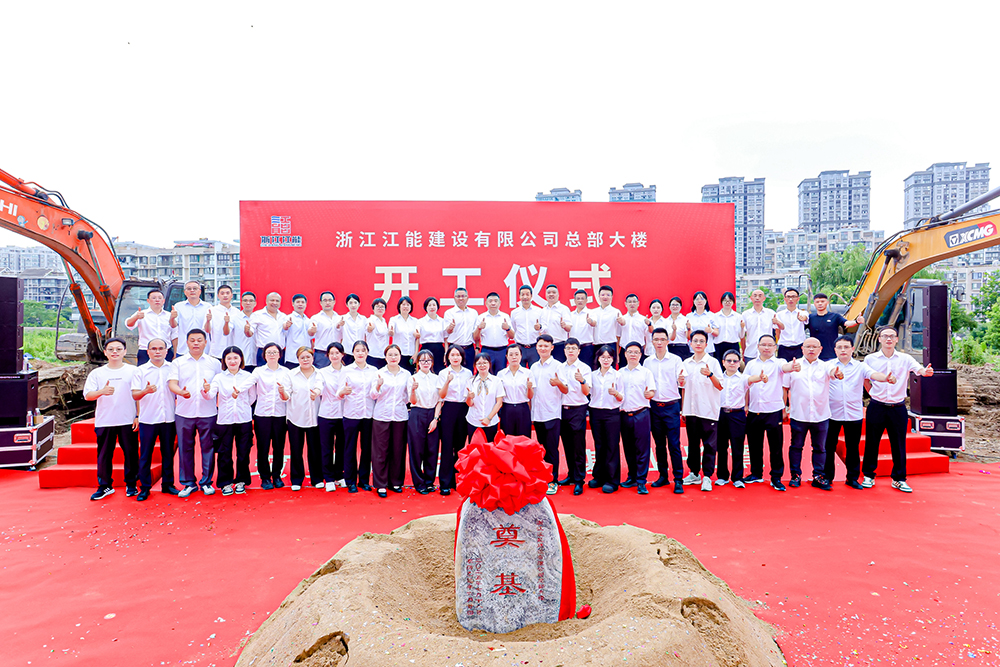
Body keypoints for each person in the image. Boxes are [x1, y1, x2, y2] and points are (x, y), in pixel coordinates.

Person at [861, 326, 934, 493]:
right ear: (879, 339)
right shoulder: (870, 359)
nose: (888, 339)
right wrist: (872, 392)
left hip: (898, 407)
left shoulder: (905, 358)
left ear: (896, 339)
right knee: (872, 442)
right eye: (885, 336)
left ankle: (899, 479)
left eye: (892, 336)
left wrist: (925, 371)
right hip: (877, 406)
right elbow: (865, 377)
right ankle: (869, 475)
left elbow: (919, 369)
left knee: (899, 444)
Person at [824, 335, 891, 489]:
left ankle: (852, 478)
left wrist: (885, 378)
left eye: (846, 347)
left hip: (853, 414)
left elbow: (873, 374)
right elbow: (830, 372)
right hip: (831, 413)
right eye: (839, 347)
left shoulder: (860, 367)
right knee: (829, 446)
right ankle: (827, 477)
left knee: (853, 447)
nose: (843, 350)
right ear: (835, 350)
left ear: (852, 349)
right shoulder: (827, 365)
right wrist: (835, 373)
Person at [782, 338, 843, 491]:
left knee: (820, 448)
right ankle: (795, 475)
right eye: (808, 346)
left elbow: (833, 373)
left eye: (814, 347)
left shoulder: (826, 366)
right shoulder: (793, 366)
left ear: (820, 349)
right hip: (799, 414)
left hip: (820, 415)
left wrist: (837, 374)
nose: (811, 349)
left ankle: (818, 476)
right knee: (796, 446)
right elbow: (784, 388)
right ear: (802, 348)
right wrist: (784, 408)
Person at [83, 337, 139, 501]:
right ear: (105, 352)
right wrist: (102, 391)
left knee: (131, 453)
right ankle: (105, 486)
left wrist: (138, 415)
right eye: (111, 349)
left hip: (128, 419)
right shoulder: (97, 373)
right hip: (105, 420)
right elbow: (88, 395)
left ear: (125, 351)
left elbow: (138, 395)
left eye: (119, 349)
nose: (115, 352)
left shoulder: (133, 371)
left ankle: (131, 484)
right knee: (104, 454)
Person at [167, 329, 219, 498]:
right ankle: (188, 483)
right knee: (185, 448)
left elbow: (219, 384)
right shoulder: (178, 362)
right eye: (192, 340)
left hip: (208, 412)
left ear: (205, 342)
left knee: (208, 448)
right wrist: (180, 392)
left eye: (199, 340)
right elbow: (172, 383)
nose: (196, 343)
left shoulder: (214, 363)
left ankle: (206, 482)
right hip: (184, 412)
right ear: (187, 342)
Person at [130, 338, 178, 499]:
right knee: (145, 454)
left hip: (168, 418)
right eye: (154, 349)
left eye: (161, 348)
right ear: (148, 351)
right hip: (148, 419)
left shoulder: (173, 369)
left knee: (168, 453)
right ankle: (144, 487)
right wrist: (145, 391)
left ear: (166, 351)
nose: (157, 351)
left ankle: (168, 484)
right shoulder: (140, 371)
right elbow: (135, 395)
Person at [205, 346, 255, 496]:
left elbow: (252, 397)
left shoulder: (248, 376)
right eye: (229, 358)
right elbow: (210, 396)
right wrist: (206, 390)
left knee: (243, 452)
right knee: (224, 453)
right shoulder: (219, 377)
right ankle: (225, 482)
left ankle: (241, 481)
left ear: (241, 359)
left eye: (235, 358)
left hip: (244, 419)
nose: (232, 361)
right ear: (224, 360)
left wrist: (242, 407)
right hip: (224, 420)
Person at [240, 342, 291, 490]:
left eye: (275, 352)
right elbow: (249, 383)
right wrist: (238, 389)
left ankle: (277, 475)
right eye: (269, 352)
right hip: (262, 414)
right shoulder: (259, 371)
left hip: (280, 414)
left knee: (279, 447)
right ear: (264, 355)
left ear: (280, 355)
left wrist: (282, 392)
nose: (272, 355)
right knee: (263, 447)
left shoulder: (286, 372)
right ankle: (265, 477)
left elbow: (288, 395)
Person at [678, 330, 724, 492]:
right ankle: (694, 473)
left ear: (706, 344)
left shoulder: (713, 362)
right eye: (695, 341)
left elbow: (720, 385)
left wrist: (710, 374)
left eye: (701, 341)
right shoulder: (686, 363)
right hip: (691, 410)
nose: (698, 344)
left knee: (709, 445)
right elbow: (684, 388)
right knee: (693, 443)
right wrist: (683, 409)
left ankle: (707, 476)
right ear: (690, 343)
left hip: (708, 410)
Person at [644, 327, 685, 494]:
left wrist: (681, 380)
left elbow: (682, 383)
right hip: (654, 407)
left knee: (674, 444)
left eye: (662, 339)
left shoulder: (676, 360)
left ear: (668, 341)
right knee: (659, 444)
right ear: (652, 341)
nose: (659, 342)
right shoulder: (647, 362)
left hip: (671, 406)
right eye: (656, 339)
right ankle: (663, 476)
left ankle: (678, 479)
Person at [744, 335, 788, 491]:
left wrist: (793, 366)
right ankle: (756, 473)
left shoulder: (779, 363)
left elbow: (786, 368)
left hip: (773, 411)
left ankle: (776, 477)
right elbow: (746, 385)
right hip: (754, 410)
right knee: (754, 445)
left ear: (775, 347)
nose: (767, 347)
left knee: (775, 446)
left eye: (770, 345)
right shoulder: (751, 364)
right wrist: (746, 405)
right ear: (758, 346)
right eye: (764, 344)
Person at [370, 345, 411, 498]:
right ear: (385, 357)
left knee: (398, 450)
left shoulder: (406, 374)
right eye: (390, 355)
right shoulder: (379, 373)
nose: (393, 357)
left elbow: (408, 397)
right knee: (380, 451)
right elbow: (373, 395)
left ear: (400, 356)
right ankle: (380, 484)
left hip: (400, 415)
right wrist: (378, 386)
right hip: (382, 415)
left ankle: (395, 482)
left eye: (396, 354)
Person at [530, 334, 568, 495]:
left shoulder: (558, 366)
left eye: (546, 346)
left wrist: (558, 383)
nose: (543, 348)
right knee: (542, 449)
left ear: (552, 348)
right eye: (540, 345)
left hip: (552, 413)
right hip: (537, 413)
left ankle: (553, 480)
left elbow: (565, 389)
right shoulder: (533, 367)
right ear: (536, 347)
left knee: (552, 449)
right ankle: (543, 478)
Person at [617, 341, 656, 495]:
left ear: (640, 355)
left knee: (642, 448)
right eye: (630, 352)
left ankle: (641, 481)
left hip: (641, 414)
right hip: (624, 414)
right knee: (628, 448)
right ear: (625, 354)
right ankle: (632, 477)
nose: (633, 355)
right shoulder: (619, 373)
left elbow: (652, 391)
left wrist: (649, 394)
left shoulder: (646, 373)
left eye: (636, 352)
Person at [339, 340, 377, 493]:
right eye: (357, 350)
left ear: (367, 353)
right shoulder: (346, 370)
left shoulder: (374, 371)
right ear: (353, 353)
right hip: (351, 414)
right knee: (350, 448)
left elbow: (375, 394)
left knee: (366, 449)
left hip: (368, 414)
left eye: (363, 350)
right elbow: (338, 394)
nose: (360, 353)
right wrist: (343, 392)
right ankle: (350, 481)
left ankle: (364, 480)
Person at [285, 346, 323, 491]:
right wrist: (283, 393)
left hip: (314, 417)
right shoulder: (291, 374)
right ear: (298, 359)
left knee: (315, 450)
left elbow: (320, 386)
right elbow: (287, 394)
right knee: (296, 449)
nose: (305, 359)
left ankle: (316, 478)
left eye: (308, 357)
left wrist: (316, 392)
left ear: (313, 358)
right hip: (296, 416)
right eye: (302, 357)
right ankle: (296, 479)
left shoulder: (319, 373)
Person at [437, 345, 473, 495]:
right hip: (449, 409)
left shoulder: (468, 373)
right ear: (448, 357)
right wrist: (447, 381)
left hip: (463, 409)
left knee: (460, 446)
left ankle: (458, 480)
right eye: (452, 355)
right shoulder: (443, 373)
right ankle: (445, 482)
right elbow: (441, 395)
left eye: (458, 355)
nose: (455, 357)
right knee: (447, 446)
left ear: (462, 357)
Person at [589, 345, 623, 493]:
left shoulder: (617, 375)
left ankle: (612, 480)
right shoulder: (592, 375)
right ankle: (599, 476)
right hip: (596, 412)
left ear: (613, 359)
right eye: (603, 357)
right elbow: (587, 392)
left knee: (612, 446)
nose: (606, 360)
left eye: (609, 357)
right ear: (598, 358)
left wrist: (615, 393)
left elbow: (622, 398)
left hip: (612, 413)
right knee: (599, 445)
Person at [558, 338, 591, 495]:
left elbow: (586, 392)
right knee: (567, 444)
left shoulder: (584, 368)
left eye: (573, 348)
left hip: (578, 409)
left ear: (579, 351)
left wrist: (582, 381)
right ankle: (571, 475)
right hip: (562, 409)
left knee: (578, 446)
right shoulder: (559, 367)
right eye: (568, 348)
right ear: (564, 350)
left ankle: (579, 480)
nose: (570, 351)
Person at [408, 349, 442, 494]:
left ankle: (429, 481)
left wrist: (435, 419)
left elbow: (440, 400)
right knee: (417, 449)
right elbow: (412, 401)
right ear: (418, 363)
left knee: (432, 449)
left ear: (432, 362)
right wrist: (413, 390)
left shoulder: (437, 378)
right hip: (417, 413)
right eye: (422, 360)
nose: (425, 363)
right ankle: (419, 482)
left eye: (428, 360)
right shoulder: (413, 379)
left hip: (432, 413)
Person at [717, 349, 749, 489]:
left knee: (737, 446)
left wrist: (761, 377)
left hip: (737, 415)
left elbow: (753, 379)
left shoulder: (743, 378)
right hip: (721, 414)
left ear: (739, 363)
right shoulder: (718, 378)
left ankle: (737, 477)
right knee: (721, 446)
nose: (732, 363)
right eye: (729, 360)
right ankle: (722, 476)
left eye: (735, 361)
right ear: (723, 362)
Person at [317, 342, 347, 491]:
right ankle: (328, 478)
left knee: (342, 447)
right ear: (327, 355)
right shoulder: (322, 372)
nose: (334, 356)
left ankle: (339, 475)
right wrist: (316, 391)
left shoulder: (348, 371)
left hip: (344, 414)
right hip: (326, 414)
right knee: (327, 447)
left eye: (337, 353)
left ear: (342, 354)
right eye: (331, 353)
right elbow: (319, 385)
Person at [807, 293, 865, 360]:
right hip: (814, 354)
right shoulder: (810, 318)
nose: (820, 304)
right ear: (814, 303)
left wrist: (856, 321)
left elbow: (846, 323)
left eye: (822, 301)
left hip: (831, 355)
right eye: (817, 302)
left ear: (827, 303)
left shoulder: (835, 316)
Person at [125, 289, 176, 365]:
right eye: (154, 298)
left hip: (165, 351)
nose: (157, 300)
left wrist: (175, 353)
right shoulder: (141, 314)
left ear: (163, 301)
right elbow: (128, 325)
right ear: (148, 301)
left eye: (159, 298)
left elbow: (175, 334)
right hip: (146, 351)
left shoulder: (169, 315)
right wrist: (136, 317)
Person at [465, 352, 505, 443]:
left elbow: (499, 402)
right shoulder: (470, 381)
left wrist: (488, 418)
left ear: (489, 364)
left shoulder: (496, 381)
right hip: (473, 421)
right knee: (474, 449)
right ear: (475, 365)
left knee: (490, 449)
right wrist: (469, 397)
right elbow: (469, 404)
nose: (482, 365)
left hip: (491, 422)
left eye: (485, 363)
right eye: (479, 363)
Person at [496, 344, 533, 437]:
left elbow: (530, 396)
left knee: (524, 439)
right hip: (507, 409)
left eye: (516, 354)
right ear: (506, 356)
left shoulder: (528, 373)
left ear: (521, 356)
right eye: (511, 354)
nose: (514, 357)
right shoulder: (501, 374)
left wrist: (529, 388)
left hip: (523, 408)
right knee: (507, 438)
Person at [247, 292, 290, 368]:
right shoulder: (257, 315)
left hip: (279, 352)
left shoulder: (283, 316)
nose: (274, 303)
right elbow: (250, 333)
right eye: (272, 300)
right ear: (266, 301)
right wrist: (247, 330)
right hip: (264, 352)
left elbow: (285, 331)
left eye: (277, 301)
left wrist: (286, 327)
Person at [474, 292, 513, 373]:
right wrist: (479, 328)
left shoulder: (505, 316)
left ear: (499, 303)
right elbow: (475, 337)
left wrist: (508, 328)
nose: (493, 303)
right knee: (486, 374)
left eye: (495, 301)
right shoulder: (481, 317)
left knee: (501, 374)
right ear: (486, 303)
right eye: (490, 301)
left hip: (502, 351)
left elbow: (512, 336)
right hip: (487, 350)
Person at [170, 281, 211, 356]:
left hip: (203, 349)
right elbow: (173, 325)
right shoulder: (178, 306)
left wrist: (208, 320)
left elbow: (208, 329)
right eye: (189, 289)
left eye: (195, 288)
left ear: (200, 291)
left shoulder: (208, 307)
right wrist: (172, 318)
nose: (192, 290)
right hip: (184, 348)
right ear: (185, 292)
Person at [444, 287, 479, 372]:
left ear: (467, 298)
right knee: (453, 373)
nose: (461, 298)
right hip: (454, 349)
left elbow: (476, 333)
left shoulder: (473, 313)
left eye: (463, 296)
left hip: (469, 349)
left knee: (469, 373)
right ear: (454, 298)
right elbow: (447, 332)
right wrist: (450, 327)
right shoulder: (449, 313)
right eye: (458, 296)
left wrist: (477, 348)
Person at [205, 284, 241, 360]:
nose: (225, 295)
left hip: (233, 352)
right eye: (222, 293)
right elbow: (207, 330)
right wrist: (208, 321)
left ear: (231, 295)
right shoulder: (212, 311)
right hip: (216, 351)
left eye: (227, 293)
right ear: (218, 296)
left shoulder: (237, 312)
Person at [509, 285, 541, 368]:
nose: (525, 297)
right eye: (522, 294)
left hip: (534, 347)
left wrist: (539, 327)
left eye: (527, 294)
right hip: (520, 348)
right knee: (519, 372)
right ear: (519, 296)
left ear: (531, 296)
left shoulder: (539, 311)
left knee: (535, 371)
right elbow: (514, 329)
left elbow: (543, 328)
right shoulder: (514, 313)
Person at [591, 285, 622, 370]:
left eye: (608, 295)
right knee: (596, 370)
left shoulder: (616, 312)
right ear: (599, 296)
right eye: (603, 295)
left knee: (610, 370)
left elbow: (618, 335)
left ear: (612, 297)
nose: (605, 297)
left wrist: (617, 353)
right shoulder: (593, 312)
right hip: (597, 345)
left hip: (611, 344)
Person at [773, 288, 809, 361]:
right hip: (784, 347)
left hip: (799, 347)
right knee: (783, 367)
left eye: (793, 297)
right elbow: (777, 331)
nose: (790, 299)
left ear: (798, 299)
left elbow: (805, 318)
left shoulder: (803, 313)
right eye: (788, 297)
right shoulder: (779, 315)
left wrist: (802, 318)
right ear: (785, 299)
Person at [741, 289, 776, 364]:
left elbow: (777, 331)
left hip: (768, 353)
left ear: (764, 298)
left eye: (760, 296)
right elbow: (743, 336)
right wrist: (743, 351)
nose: (757, 298)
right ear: (751, 298)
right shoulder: (745, 314)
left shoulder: (771, 313)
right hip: (750, 352)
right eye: (755, 296)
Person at [540, 284, 572, 362]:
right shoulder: (543, 310)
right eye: (549, 292)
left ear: (558, 295)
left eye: (554, 292)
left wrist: (565, 326)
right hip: (546, 346)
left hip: (559, 345)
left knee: (560, 368)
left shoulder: (563, 309)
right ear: (546, 295)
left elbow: (569, 328)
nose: (551, 294)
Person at [310, 291, 342, 369]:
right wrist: (312, 330)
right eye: (325, 300)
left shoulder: (340, 318)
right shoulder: (316, 318)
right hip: (322, 354)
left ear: (334, 302)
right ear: (320, 302)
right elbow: (310, 333)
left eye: (330, 300)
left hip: (337, 354)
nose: (327, 303)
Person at [415, 296, 447, 372]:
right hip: (426, 349)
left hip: (439, 350)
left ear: (437, 307)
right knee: (426, 371)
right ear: (426, 308)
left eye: (434, 305)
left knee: (439, 371)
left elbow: (446, 339)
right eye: (429, 305)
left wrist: (446, 353)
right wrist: (416, 353)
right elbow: (417, 338)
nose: (432, 307)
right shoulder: (420, 321)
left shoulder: (442, 321)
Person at [388, 296, 419, 373]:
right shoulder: (394, 319)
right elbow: (391, 331)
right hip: (398, 354)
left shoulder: (415, 321)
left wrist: (416, 353)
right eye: (403, 304)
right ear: (399, 306)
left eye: (408, 305)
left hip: (411, 355)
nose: (405, 307)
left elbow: (417, 338)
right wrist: (391, 332)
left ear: (411, 307)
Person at [617, 294, 648, 369]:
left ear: (638, 303)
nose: (632, 304)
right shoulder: (621, 319)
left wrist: (644, 353)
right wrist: (617, 354)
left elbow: (646, 338)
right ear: (625, 304)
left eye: (634, 301)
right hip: (624, 351)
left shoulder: (643, 319)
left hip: (639, 351)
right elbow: (618, 337)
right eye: (630, 302)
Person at [568, 289, 597, 368]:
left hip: (586, 347)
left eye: (582, 298)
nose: (580, 301)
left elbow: (594, 323)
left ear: (586, 300)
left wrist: (590, 321)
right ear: (574, 300)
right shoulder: (570, 314)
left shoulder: (591, 313)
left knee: (587, 369)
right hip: (573, 348)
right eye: (578, 299)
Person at [283, 295, 313, 369]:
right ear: (293, 304)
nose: (300, 304)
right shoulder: (288, 318)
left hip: (306, 357)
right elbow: (284, 328)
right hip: (292, 357)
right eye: (298, 302)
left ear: (306, 304)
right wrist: (286, 326)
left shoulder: (308, 320)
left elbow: (310, 339)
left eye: (302, 302)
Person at [713, 292, 743, 366]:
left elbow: (741, 335)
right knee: (719, 367)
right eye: (725, 300)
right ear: (721, 302)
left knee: (733, 367)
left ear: (733, 302)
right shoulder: (715, 316)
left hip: (733, 345)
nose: (727, 303)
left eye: (730, 301)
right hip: (719, 345)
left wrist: (742, 328)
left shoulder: (738, 317)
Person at [687, 291, 719, 356]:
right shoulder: (689, 316)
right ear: (693, 301)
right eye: (697, 299)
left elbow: (717, 333)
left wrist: (711, 330)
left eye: (702, 299)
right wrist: (689, 329)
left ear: (706, 301)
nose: (699, 301)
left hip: (708, 349)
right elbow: (688, 336)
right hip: (693, 349)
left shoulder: (712, 315)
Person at [339, 294, 367, 366]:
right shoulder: (342, 318)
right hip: (347, 351)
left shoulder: (363, 319)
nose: (353, 305)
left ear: (359, 304)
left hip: (360, 352)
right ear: (347, 304)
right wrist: (339, 325)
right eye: (350, 303)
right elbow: (338, 332)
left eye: (355, 302)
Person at [234, 291, 258, 373]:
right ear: (241, 303)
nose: (248, 303)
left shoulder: (259, 318)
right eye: (245, 300)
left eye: (251, 301)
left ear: (255, 303)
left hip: (256, 358)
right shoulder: (235, 318)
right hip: (241, 358)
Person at [365, 298, 390, 369]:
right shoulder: (370, 320)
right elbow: (369, 328)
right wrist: (370, 328)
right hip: (373, 355)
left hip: (383, 355)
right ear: (373, 308)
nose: (380, 308)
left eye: (382, 307)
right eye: (377, 306)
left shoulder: (384, 321)